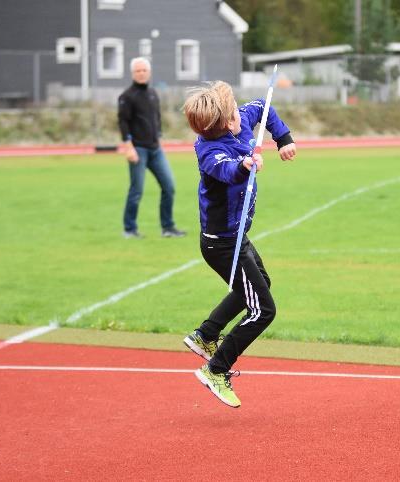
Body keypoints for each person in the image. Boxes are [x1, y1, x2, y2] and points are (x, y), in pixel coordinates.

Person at [181, 81, 297, 408]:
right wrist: (245, 165)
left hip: (237, 236)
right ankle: (216, 368)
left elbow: (264, 107)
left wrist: (283, 139)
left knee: (260, 287)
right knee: (263, 310)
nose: (227, 125)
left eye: (227, 119)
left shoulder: (243, 116)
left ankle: (205, 334)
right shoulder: (208, 148)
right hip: (222, 244)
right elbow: (225, 169)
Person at [118, 57, 186, 239]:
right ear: (133, 73)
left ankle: (168, 228)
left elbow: (156, 119)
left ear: (149, 72)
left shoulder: (153, 93)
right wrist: (128, 147)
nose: (141, 73)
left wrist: (159, 138)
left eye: (144, 70)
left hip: (156, 149)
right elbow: (123, 122)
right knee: (136, 190)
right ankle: (129, 229)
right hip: (137, 149)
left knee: (169, 186)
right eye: (137, 71)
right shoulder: (126, 97)